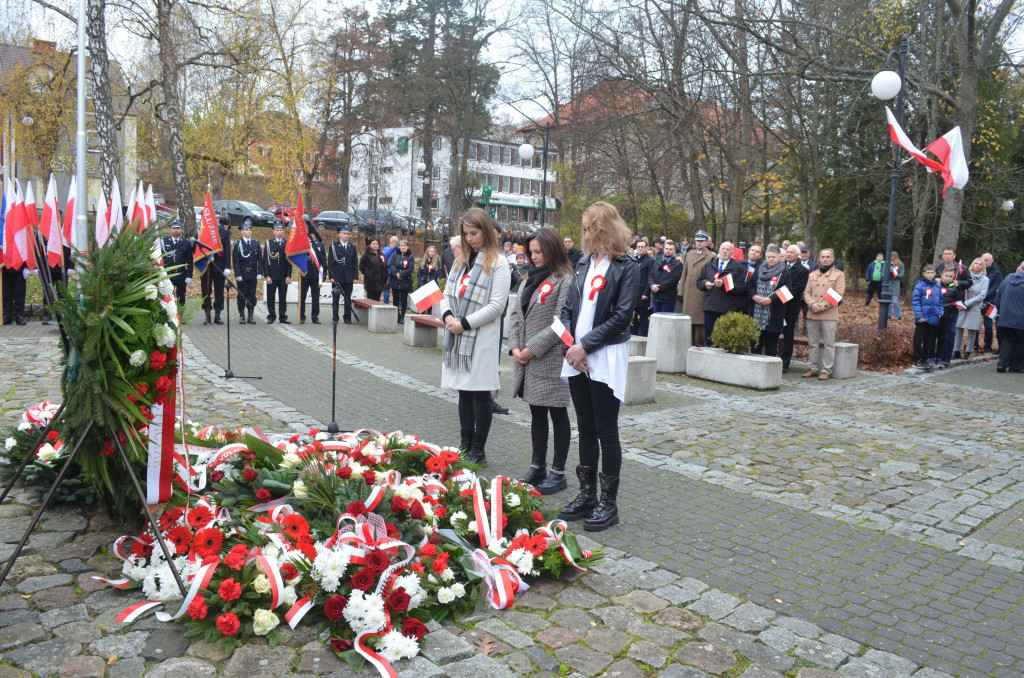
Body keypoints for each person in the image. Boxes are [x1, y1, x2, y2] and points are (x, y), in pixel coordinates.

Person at [558, 201, 639, 532]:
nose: (584, 233)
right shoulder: (582, 262)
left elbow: (622, 316)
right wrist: (570, 347)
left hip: (604, 355)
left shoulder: (627, 266)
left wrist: (585, 346)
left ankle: (609, 503)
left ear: (604, 229)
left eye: (588, 227)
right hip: (576, 355)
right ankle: (587, 494)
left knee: (606, 429)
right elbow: (566, 308)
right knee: (585, 427)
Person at [439, 207, 512, 464]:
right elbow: (446, 294)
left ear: (485, 231)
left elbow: (496, 306)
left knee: (481, 394)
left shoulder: (499, 263)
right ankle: (465, 443)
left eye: (474, 233)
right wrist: (448, 317)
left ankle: (478, 450)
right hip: (459, 335)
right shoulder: (462, 261)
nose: (469, 239)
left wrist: (464, 324)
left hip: (480, 337)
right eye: (466, 234)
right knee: (463, 392)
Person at [508, 228, 574, 494]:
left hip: (550, 359)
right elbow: (515, 316)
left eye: (539, 252)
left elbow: (561, 324)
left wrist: (531, 350)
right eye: (531, 252)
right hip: (527, 358)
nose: (534, 257)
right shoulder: (528, 279)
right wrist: (514, 347)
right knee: (536, 412)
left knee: (557, 413)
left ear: (553, 250)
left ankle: (558, 473)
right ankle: (538, 467)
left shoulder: (565, 280)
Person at [802, 248, 845, 380]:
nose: (825, 259)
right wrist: (812, 304)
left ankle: (826, 369)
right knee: (812, 343)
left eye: (828, 257)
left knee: (828, 344)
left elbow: (838, 294)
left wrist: (822, 306)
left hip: (828, 314)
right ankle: (813, 368)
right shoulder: (812, 274)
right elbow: (806, 293)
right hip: (813, 313)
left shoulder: (839, 275)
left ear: (833, 259)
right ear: (819, 258)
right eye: (823, 257)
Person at [696, 241, 747, 345]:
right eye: (723, 248)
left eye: (728, 249)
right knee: (709, 337)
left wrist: (724, 285)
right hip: (710, 305)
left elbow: (741, 287)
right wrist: (705, 284)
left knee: (723, 338)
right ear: (719, 250)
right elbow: (699, 281)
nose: (724, 251)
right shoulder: (710, 264)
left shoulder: (738, 267)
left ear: (732, 253)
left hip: (727, 307)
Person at [748, 245, 791, 357]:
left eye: (773, 257)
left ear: (779, 258)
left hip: (773, 316)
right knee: (755, 346)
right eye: (768, 257)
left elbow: (788, 292)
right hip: (756, 314)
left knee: (770, 348)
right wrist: (754, 296)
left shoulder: (784, 272)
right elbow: (749, 286)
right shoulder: (758, 269)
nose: (771, 259)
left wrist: (771, 300)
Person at [934, 247, 972, 364]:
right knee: (937, 332)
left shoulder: (962, 268)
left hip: (953, 305)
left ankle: (947, 357)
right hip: (938, 304)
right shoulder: (937, 267)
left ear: (954, 255)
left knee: (950, 332)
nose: (947, 256)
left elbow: (969, 282)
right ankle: (936, 356)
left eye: (950, 254)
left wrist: (959, 283)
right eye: (945, 254)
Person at [778, 244, 809, 373]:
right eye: (787, 252)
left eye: (792, 252)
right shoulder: (780, 266)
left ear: (798, 255)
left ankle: (785, 363)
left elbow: (797, 289)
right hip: (777, 306)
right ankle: (776, 359)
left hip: (790, 306)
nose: (789, 254)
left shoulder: (802, 270)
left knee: (788, 335)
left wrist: (778, 296)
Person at [681, 230, 713, 346]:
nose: (699, 243)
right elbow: (684, 273)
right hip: (688, 292)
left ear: (706, 242)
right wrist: (681, 291)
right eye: (697, 241)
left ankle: (698, 347)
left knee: (699, 323)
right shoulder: (690, 254)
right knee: (687, 323)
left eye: (701, 241)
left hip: (700, 293)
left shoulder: (711, 256)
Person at [953, 258, 989, 360]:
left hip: (975, 306)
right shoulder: (965, 276)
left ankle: (968, 352)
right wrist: (961, 303)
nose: (977, 266)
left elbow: (982, 295)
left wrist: (967, 303)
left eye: (980, 264)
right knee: (958, 328)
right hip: (962, 305)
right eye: (975, 263)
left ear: (983, 267)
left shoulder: (985, 280)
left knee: (972, 330)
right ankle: (956, 351)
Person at [994, 260, 1024, 372]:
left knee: (1007, 340)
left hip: (1005, 317)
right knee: (1020, 343)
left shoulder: (1009, 278)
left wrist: (998, 312)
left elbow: (999, 295)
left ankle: (1001, 364)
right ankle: (1015, 366)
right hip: (1021, 319)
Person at [912, 264, 943, 368]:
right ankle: (917, 359)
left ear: (935, 274)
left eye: (932, 273)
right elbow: (916, 302)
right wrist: (919, 315)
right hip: (922, 318)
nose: (930, 275)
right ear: (924, 274)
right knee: (918, 339)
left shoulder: (937, 286)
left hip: (933, 317)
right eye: (928, 273)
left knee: (929, 340)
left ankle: (926, 359)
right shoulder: (920, 285)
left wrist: (940, 313)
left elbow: (940, 301)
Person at [232, 222, 262, 324]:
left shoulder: (256, 243)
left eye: (250, 230)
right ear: (241, 231)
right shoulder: (238, 244)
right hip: (243, 274)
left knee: (251, 294)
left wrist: (260, 272)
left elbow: (260, 260)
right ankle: (242, 315)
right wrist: (238, 274)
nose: (248, 232)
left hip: (253, 273)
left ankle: (250, 314)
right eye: (246, 230)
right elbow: (235, 261)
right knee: (241, 295)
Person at [327, 226, 358, 324]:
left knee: (347, 298)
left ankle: (347, 317)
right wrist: (331, 276)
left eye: (347, 234)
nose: (346, 236)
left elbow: (354, 263)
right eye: (344, 233)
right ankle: (335, 317)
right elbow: (330, 262)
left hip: (348, 276)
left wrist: (355, 277)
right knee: (335, 298)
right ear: (339, 234)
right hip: (337, 276)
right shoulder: (333, 246)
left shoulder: (352, 247)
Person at [296, 224, 326, 325]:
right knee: (302, 296)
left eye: (313, 233)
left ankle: (315, 316)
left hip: (316, 275)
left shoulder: (320, 244)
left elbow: (323, 260)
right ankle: (301, 315)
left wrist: (324, 274)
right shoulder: (303, 244)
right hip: (305, 274)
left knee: (316, 297)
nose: (312, 235)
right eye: (310, 233)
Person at [262, 223, 291, 324]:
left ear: (283, 232)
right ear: (273, 232)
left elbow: (289, 262)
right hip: (272, 275)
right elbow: (265, 260)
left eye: (281, 230)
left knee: (283, 297)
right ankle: (271, 315)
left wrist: (288, 275)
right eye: (277, 230)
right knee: (271, 297)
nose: (279, 232)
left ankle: (282, 316)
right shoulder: (269, 243)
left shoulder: (287, 244)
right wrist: (267, 275)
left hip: (283, 276)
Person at [160, 221, 193, 308]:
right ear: (170, 230)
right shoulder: (164, 241)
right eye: (174, 228)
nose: (176, 230)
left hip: (181, 273)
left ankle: (181, 315)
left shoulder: (186, 242)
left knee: (181, 295)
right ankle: (169, 315)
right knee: (168, 295)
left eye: (178, 228)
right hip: (168, 273)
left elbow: (190, 260)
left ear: (181, 230)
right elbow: (160, 258)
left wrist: (189, 275)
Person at [934, 266, 963, 367]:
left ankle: (945, 357)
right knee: (935, 336)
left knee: (946, 336)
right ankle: (934, 356)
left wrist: (956, 307)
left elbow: (958, 301)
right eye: (946, 276)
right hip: (937, 315)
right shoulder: (936, 286)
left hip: (948, 316)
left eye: (950, 276)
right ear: (941, 275)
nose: (948, 278)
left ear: (953, 277)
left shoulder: (955, 288)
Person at [650, 240, 682, 314]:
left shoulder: (678, 265)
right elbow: (651, 275)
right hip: (656, 296)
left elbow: (673, 279)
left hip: (668, 298)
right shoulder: (657, 262)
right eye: (666, 249)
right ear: (663, 249)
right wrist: (652, 285)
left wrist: (659, 287)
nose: (668, 251)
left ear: (674, 250)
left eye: (670, 249)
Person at [632, 240, 656, 336]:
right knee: (632, 317)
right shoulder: (634, 260)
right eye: (638, 247)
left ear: (646, 248)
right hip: (633, 293)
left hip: (643, 294)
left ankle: (644, 337)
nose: (640, 248)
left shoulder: (650, 261)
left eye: (642, 247)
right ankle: (632, 335)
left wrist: (646, 293)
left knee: (643, 317)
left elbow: (649, 278)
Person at [389, 239, 415, 324]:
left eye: (404, 246)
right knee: (395, 299)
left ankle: (402, 317)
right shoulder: (395, 255)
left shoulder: (410, 257)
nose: (402, 247)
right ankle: (397, 316)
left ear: (407, 247)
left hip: (405, 281)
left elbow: (410, 268)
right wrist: (396, 274)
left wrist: (401, 274)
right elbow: (391, 265)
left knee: (404, 300)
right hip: (395, 281)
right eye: (401, 246)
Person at [982, 253, 1002, 353]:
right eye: (983, 260)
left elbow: (995, 287)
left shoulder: (997, 273)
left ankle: (988, 345)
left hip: (990, 303)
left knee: (988, 325)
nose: (984, 262)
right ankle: (975, 345)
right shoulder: (978, 272)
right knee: (975, 324)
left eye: (986, 260)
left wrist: (983, 296)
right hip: (978, 302)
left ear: (992, 260)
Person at [359, 236, 389, 301]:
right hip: (371, 282)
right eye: (374, 244)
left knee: (377, 300)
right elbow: (361, 266)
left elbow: (385, 266)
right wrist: (368, 273)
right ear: (370, 245)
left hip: (380, 283)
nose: (375, 245)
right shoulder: (366, 255)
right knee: (370, 301)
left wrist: (385, 275)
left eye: (377, 244)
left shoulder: (382, 255)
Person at [381, 235, 399, 304]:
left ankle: (398, 303)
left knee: (396, 289)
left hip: (396, 272)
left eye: (396, 242)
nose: (395, 243)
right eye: (393, 242)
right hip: (387, 272)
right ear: (390, 242)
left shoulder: (399, 250)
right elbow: (384, 256)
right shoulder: (386, 249)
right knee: (387, 288)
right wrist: (391, 248)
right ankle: (386, 302)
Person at [889, 251, 905, 320]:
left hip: (896, 284)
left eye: (893, 257)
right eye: (891, 257)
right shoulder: (888, 264)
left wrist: (895, 274)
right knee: (888, 301)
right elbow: (883, 273)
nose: (892, 258)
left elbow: (901, 275)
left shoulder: (900, 264)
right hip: (888, 284)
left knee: (895, 301)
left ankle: (898, 315)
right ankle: (888, 315)